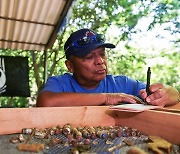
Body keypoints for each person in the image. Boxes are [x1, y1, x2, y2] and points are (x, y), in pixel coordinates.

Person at [36, 28, 179, 107]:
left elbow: (175, 95)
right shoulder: (59, 83)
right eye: (88, 57)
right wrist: (107, 98)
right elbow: (45, 102)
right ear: (70, 66)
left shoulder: (121, 83)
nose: (100, 61)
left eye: (102, 54)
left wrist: (164, 94)